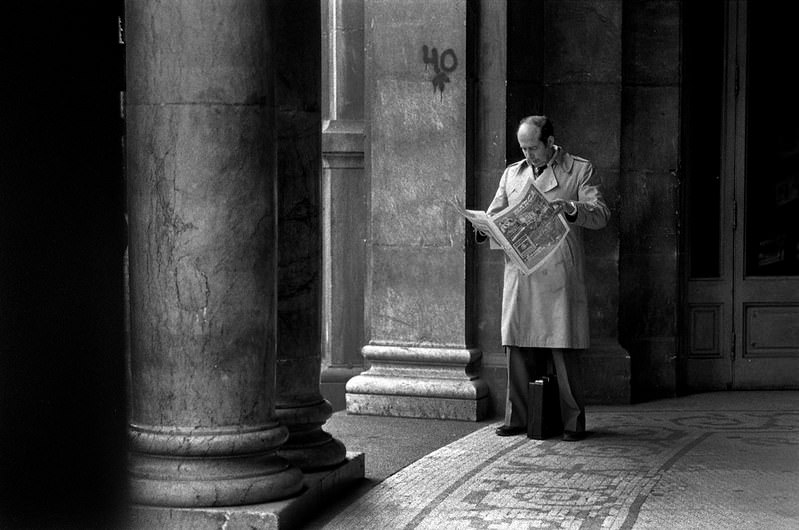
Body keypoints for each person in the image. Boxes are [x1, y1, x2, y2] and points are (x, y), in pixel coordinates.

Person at [487, 115, 609, 441]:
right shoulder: (512, 174)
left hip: (558, 273)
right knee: (516, 345)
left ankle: (572, 422)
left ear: (550, 142)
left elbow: (600, 214)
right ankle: (517, 418)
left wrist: (571, 208)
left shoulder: (579, 170)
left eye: (534, 148)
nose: (528, 155)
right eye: (523, 148)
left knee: (563, 347)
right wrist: (482, 228)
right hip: (520, 270)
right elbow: (496, 213)